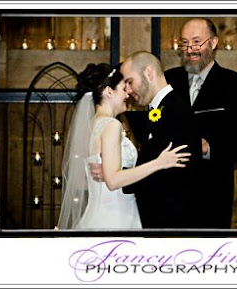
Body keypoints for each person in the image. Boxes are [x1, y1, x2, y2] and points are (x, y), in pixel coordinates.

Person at [56, 63, 191, 229]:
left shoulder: (93, 124)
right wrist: (160, 162)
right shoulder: (112, 125)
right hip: (116, 216)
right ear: (109, 91)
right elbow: (113, 181)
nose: (127, 93)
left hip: (101, 212)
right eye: (122, 88)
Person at [165, 18, 237, 228]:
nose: (190, 49)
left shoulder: (236, 84)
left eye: (197, 42)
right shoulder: (168, 80)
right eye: (185, 43)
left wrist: (208, 148)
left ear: (214, 43)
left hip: (212, 199)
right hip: (170, 196)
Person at [120, 51, 202, 228]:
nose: (127, 89)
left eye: (129, 81)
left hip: (170, 225)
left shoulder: (177, 112)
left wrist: (119, 178)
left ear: (149, 73)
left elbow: (173, 176)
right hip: (158, 221)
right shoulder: (159, 109)